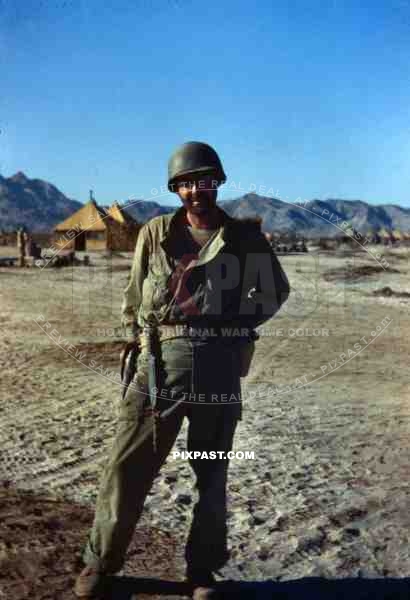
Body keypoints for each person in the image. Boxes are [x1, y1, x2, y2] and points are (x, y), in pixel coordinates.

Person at [74, 141, 290, 599]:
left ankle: (202, 573)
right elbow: (134, 297)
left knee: (211, 474)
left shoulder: (244, 238)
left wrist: (239, 325)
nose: (197, 191)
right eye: (188, 183)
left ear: (218, 184)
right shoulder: (154, 232)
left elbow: (275, 290)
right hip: (157, 367)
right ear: (176, 188)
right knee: (126, 466)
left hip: (219, 366)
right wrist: (140, 339)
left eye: (205, 181)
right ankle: (100, 564)